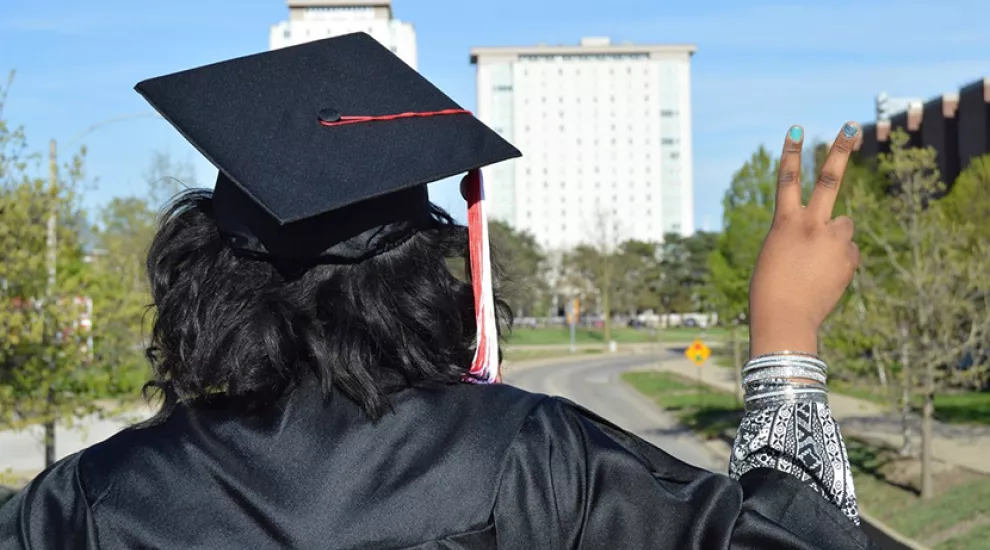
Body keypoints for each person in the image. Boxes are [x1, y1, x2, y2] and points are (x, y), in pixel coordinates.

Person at [0, 33, 877, 549]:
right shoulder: (532, 461)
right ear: (426, 276)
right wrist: (785, 342)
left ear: (204, 272)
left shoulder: (90, 502)